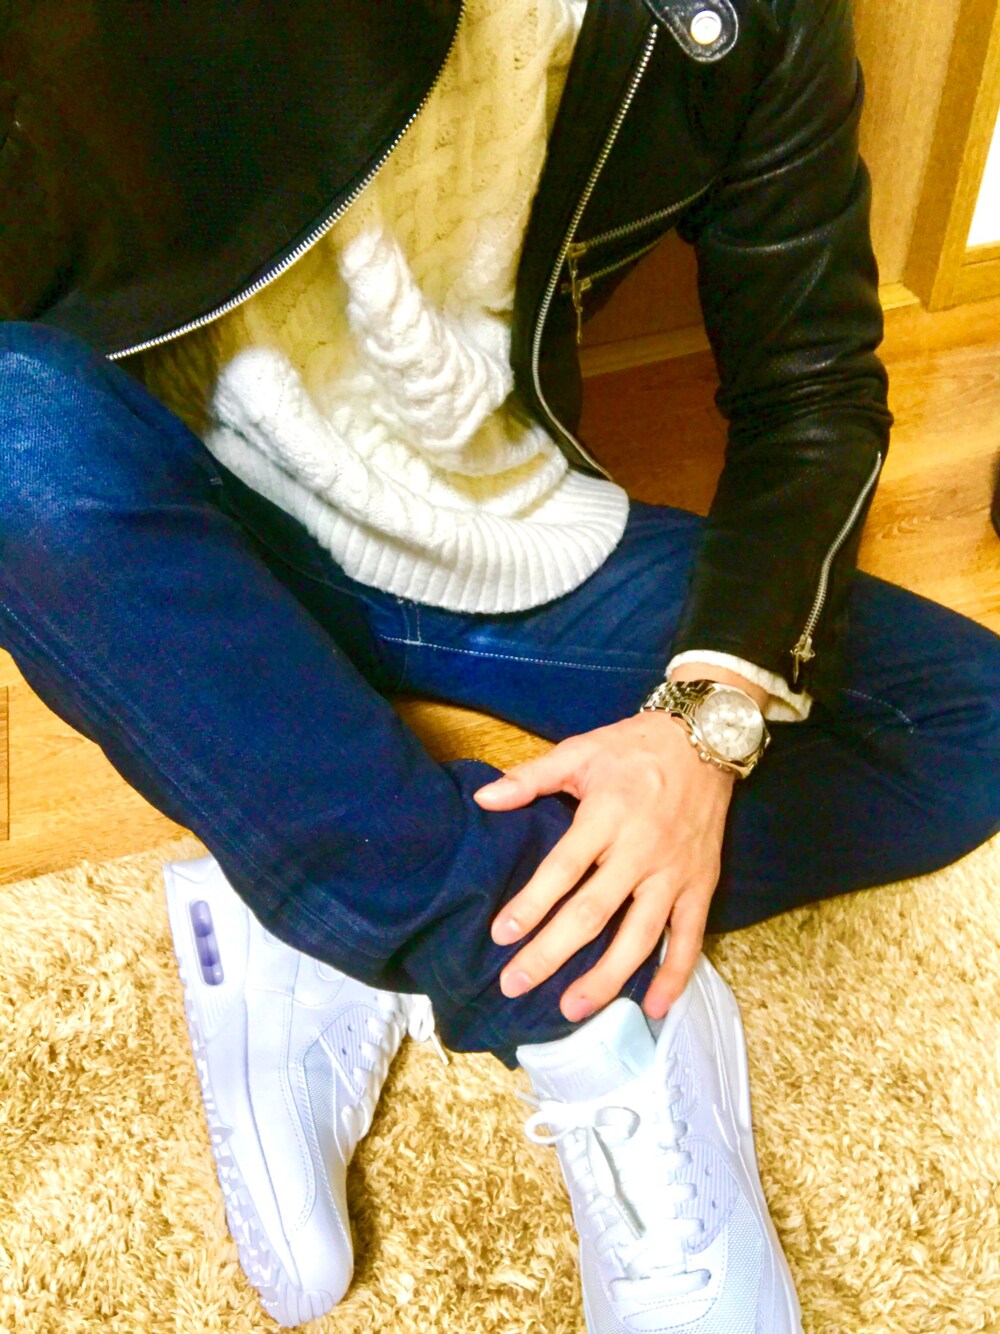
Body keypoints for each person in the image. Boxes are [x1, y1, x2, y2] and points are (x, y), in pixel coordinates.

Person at [1, 1, 998, 1329]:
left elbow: (815, 391)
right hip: (203, 516)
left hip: (496, 533)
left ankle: (330, 890)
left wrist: (706, 725)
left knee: (968, 720)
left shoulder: (742, 19)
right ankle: (585, 1021)